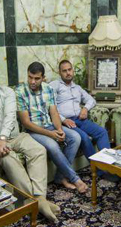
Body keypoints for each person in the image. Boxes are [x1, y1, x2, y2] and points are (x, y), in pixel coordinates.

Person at [0, 63, 61, 222]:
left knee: (38, 150)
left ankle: (40, 198)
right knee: (10, 159)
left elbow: (10, 117)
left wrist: (3, 138)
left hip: (15, 136)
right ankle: (35, 202)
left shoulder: (8, 92)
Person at [16, 62, 88, 193]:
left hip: (49, 125)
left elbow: (54, 113)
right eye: (30, 77)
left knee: (75, 137)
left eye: (37, 78)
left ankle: (60, 177)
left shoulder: (48, 89)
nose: (32, 81)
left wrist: (59, 129)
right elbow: (26, 123)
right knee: (53, 145)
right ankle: (75, 179)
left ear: (43, 78)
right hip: (32, 131)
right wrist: (51, 134)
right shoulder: (20, 91)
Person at [50, 59, 110, 159]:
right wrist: (63, 120)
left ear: (73, 70)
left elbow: (91, 100)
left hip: (80, 119)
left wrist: (85, 109)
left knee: (102, 132)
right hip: (66, 122)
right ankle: (97, 167)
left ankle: (108, 163)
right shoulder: (55, 85)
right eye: (64, 71)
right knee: (84, 137)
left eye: (69, 69)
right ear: (59, 72)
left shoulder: (77, 87)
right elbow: (49, 106)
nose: (68, 73)